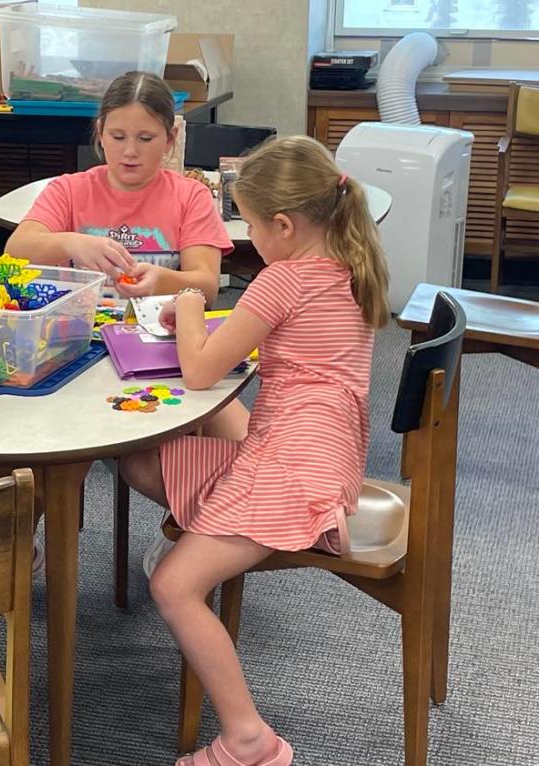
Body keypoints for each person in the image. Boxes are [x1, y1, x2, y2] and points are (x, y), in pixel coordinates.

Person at [120, 135, 389, 766]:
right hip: (324, 456)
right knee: (141, 460)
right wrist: (197, 324)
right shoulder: (351, 266)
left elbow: (199, 373)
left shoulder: (281, 280)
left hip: (293, 465)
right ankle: (215, 535)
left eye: (250, 226)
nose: (250, 241)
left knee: (173, 585)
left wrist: (189, 305)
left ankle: (248, 739)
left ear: (284, 226)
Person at [5, 70, 233, 301]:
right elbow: (16, 250)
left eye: (145, 139)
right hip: (79, 321)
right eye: (118, 137)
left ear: (170, 138)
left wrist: (161, 281)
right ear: (100, 133)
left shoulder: (191, 196)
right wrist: (71, 243)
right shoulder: (68, 190)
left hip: (156, 322)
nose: (130, 151)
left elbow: (207, 287)